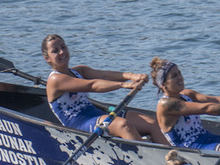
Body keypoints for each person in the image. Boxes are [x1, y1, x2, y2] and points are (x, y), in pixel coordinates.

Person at [41, 35, 169, 143]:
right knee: (123, 125)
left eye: (63, 47)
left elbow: (104, 75)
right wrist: (124, 85)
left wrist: (132, 76)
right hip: (79, 124)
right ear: (47, 58)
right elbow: (92, 85)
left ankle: (177, 160)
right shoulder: (55, 80)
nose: (62, 52)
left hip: (95, 114)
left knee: (151, 122)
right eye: (55, 51)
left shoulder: (79, 70)